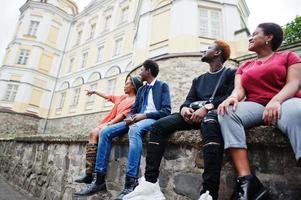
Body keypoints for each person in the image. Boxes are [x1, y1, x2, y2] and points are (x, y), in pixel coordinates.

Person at [123, 40, 236, 200]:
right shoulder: (199, 80)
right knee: (158, 126)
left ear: (217, 53)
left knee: (210, 124)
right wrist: (184, 109)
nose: (205, 50)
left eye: (209, 48)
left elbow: (231, 96)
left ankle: (209, 193)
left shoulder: (231, 73)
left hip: (212, 114)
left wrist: (207, 108)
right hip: (192, 114)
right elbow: (188, 100)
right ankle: (150, 183)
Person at [217, 22, 301, 200]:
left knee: (297, 113)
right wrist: (233, 98)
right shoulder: (244, 66)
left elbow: (293, 83)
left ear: (269, 37)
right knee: (226, 112)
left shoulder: (289, 56)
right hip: (256, 106)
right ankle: (246, 181)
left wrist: (276, 100)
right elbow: (239, 90)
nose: (251, 37)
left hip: (285, 101)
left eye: (255, 34)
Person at [73, 59, 172, 199]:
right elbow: (134, 109)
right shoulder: (142, 90)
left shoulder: (162, 86)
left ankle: (130, 183)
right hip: (136, 119)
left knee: (134, 130)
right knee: (105, 132)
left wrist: (143, 115)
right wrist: (131, 117)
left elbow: (166, 111)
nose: (139, 72)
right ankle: (99, 179)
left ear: (148, 71)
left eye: (141, 70)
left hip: (152, 119)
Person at [74, 76, 143, 184]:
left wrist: (109, 124)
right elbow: (109, 97)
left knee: (95, 133)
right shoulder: (123, 98)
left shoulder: (135, 101)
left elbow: (122, 115)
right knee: (93, 134)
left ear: (133, 86)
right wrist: (95, 92)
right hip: (109, 121)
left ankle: (90, 175)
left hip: (118, 123)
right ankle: (88, 173)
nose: (124, 85)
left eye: (127, 83)